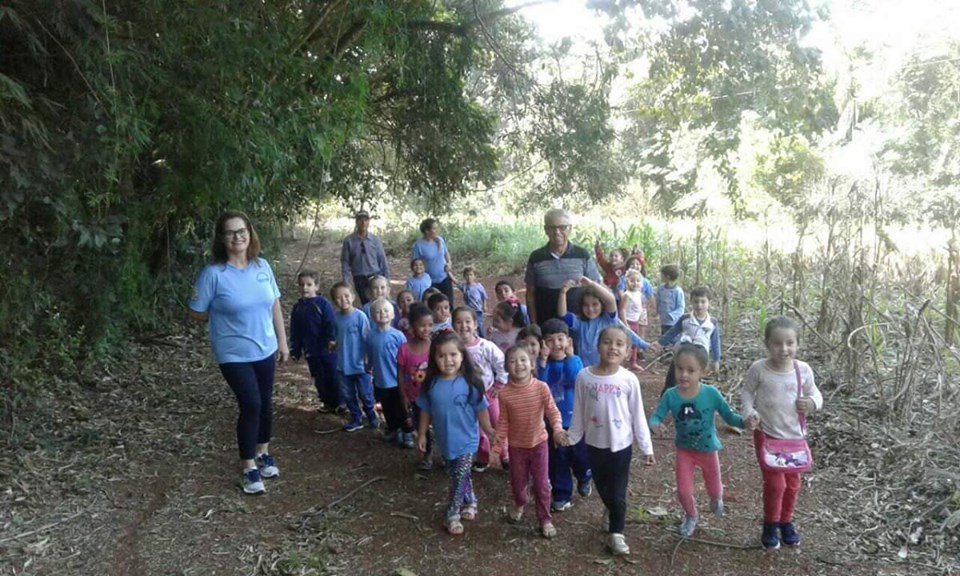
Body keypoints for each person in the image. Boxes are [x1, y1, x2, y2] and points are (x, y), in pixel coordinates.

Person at [189, 210, 289, 495]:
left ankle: (262, 451)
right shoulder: (213, 274)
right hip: (233, 353)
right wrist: (223, 316)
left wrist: (282, 342)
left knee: (266, 404)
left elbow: (275, 305)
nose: (237, 236)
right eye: (231, 232)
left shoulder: (262, 267)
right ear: (222, 238)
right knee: (252, 404)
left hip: (265, 347)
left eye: (242, 230)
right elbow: (196, 311)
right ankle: (248, 467)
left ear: (250, 233)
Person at [564, 325, 655, 556]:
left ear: (627, 351)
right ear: (598, 346)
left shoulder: (629, 379)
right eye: (607, 342)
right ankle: (611, 508)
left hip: (621, 445)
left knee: (618, 490)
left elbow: (637, 414)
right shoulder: (584, 377)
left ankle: (617, 533)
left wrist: (646, 446)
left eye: (619, 344)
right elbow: (579, 410)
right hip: (594, 444)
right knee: (603, 487)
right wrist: (572, 437)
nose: (612, 347)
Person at [741, 316, 823, 549]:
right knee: (776, 485)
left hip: (794, 439)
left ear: (797, 344)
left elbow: (816, 394)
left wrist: (811, 404)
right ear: (767, 343)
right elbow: (747, 393)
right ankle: (770, 524)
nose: (784, 349)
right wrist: (750, 413)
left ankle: (786, 522)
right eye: (777, 343)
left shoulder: (803, 370)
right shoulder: (759, 369)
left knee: (793, 484)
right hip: (767, 437)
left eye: (790, 343)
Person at [649, 343, 744, 538]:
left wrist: (745, 422)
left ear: (703, 371)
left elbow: (730, 416)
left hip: (709, 450)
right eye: (680, 368)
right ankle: (691, 515)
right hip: (685, 451)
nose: (684, 374)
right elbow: (656, 416)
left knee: (715, 489)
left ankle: (716, 498)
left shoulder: (711, 394)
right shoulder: (671, 395)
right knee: (683, 490)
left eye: (691, 370)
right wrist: (656, 424)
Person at [416, 331, 497, 536]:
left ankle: (452, 514)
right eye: (441, 356)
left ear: (462, 355)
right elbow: (425, 410)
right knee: (457, 473)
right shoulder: (431, 384)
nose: (448, 360)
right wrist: (423, 434)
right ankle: (471, 501)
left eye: (453, 355)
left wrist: (488, 430)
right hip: (445, 441)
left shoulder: (470, 383)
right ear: (434, 358)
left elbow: (481, 409)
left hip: (468, 440)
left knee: (459, 475)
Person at [495, 344, 565, 539]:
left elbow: (552, 411)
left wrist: (558, 429)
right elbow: (503, 422)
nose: (519, 364)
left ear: (532, 364)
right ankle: (520, 503)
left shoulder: (541, 388)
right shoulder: (505, 394)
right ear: (507, 367)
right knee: (518, 483)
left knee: (542, 484)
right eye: (513, 361)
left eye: (523, 360)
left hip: (540, 444)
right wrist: (496, 447)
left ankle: (545, 519)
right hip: (517, 447)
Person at [537, 318, 590, 512]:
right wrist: (542, 361)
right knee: (558, 459)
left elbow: (576, 379)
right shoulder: (543, 365)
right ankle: (561, 494)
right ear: (544, 344)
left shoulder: (574, 361)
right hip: (553, 422)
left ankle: (584, 476)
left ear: (568, 341)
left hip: (574, 420)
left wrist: (569, 357)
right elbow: (540, 386)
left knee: (580, 455)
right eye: (550, 341)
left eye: (561, 339)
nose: (556, 344)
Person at [453, 306, 509, 472]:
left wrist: (500, 383)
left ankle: (505, 454)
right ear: (453, 325)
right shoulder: (454, 349)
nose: (464, 326)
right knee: (476, 427)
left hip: (489, 393)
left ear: (476, 324)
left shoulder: (486, 346)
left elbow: (501, 363)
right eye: (459, 322)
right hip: (467, 396)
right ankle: (483, 456)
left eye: (468, 321)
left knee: (497, 422)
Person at [524, 209, 601, 325]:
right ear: (546, 230)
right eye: (552, 228)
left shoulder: (582, 255)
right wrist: (534, 324)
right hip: (546, 324)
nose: (557, 232)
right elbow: (530, 294)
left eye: (562, 227)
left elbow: (596, 288)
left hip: (579, 324)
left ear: (570, 229)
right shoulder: (536, 258)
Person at [559, 276, 653, 367]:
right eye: (586, 305)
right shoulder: (579, 322)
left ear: (602, 304)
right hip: (585, 370)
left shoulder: (609, 319)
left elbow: (611, 300)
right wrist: (563, 293)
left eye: (595, 304)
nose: (590, 309)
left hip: (606, 368)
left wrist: (592, 284)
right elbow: (562, 314)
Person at [330, 282, 379, 432]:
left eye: (346, 296)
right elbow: (338, 338)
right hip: (343, 365)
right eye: (338, 298)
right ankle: (356, 417)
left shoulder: (360, 316)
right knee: (348, 394)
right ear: (334, 301)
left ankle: (371, 414)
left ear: (352, 296)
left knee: (365, 393)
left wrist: (367, 360)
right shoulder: (336, 318)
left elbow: (367, 339)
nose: (343, 300)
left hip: (360, 365)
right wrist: (333, 345)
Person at [289, 270, 341, 413]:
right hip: (311, 351)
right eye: (302, 285)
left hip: (326, 350)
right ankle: (326, 402)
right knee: (318, 377)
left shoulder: (323, 304)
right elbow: (295, 330)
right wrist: (295, 349)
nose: (305, 287)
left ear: (316, 287)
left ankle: (340, 402)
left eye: (309, 284)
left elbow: (330, 323)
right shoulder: (298, 307)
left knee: (332, 375)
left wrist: (331, 340)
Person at [366, 298, 412, 447]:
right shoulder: (371, 336)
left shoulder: (398, 335)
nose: (382, 314)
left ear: (392, 314)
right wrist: (369, 365)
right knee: (387, 407)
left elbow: (406, 356)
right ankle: (394, 430)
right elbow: (371, 354)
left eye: (386, 311)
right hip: (381, 380)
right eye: (378, 312)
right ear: (372, 316)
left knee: (402, 408)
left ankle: (408, 433)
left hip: (397, 380)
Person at [658, 286, 721, 395]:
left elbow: (715, 342)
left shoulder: (712, 323)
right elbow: (672, 332)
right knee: (672, 378)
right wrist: (660, 343)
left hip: (699, 358)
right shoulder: (685, 319)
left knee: (694, 380)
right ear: (691, 302)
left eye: (703, 302)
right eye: (696, 302)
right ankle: (665, 401)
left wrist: (716, 360)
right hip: (681, 354)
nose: (699, 305)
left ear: (709, 302)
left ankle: (690, 402)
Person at [398, 303, 434, 469]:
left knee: (441, 424)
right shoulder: (405, 349)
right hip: (416, 397)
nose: (426, 329)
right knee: (422, 427)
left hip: (435, 395)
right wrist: (403, 395)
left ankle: (449, 455)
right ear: (412, 326)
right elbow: (400, 374)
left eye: (429, 325)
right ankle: (426, 456)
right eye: (422, 325)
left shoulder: (435, 346)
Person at [340, 210, 389, 305]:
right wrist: (346, 281)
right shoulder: (349, 240)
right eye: (360, 220)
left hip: (375, 274)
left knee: (378, 301)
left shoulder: (375, 240)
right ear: (356, 222)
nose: (363, 223)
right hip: (359, 276)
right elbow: (345, 261)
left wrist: (386, 278)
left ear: (369, 222)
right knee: (365, 302)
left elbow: (382, 259)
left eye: (366, 220)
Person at [412, 218, 454, 304]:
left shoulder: (440, 240)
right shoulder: (418, 245)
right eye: (434, 228)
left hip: (445, 278)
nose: (437, 230)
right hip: (430, 281)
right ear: (427, 231)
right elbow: (415, 263)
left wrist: (449, 263)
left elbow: (446, 253)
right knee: (434, 306)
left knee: (449, 304)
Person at [619, 269, 650, 371]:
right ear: (627, 281)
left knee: (635, 344)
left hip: (635, 322)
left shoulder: (639, 293)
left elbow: (640, 307)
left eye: (638, 281)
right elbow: (622, 309)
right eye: (632, 280)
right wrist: (625, 323)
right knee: (626, 343)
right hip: (628, 321)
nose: (635, 283)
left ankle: (633, 362)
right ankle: (621, 363)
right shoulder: (627, 295)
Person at [454, 265, 488, 337]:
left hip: (478, 310)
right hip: (469, 311)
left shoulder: (479, 286)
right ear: (464, 277)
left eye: (471, 275)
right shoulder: (464, 287)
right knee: (471, 326)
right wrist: (449, 272)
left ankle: (483, 339)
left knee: (480, 326)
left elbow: (484, 296)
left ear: (474, 276)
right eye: (467, 275)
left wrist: (484, 305)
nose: (469, 277)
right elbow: (456, 282)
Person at [656, 264, 685, 337]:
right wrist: (657, 311)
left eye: (662, 275)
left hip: (674, 322)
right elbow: (658, 300)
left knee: (673, 338)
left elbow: (681, 307)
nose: (661, 277)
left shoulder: (678, 291)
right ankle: (665, 348)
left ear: (667, 277)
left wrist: (672, 315)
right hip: (663, 320)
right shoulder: (661, 289)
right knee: (664, 336)